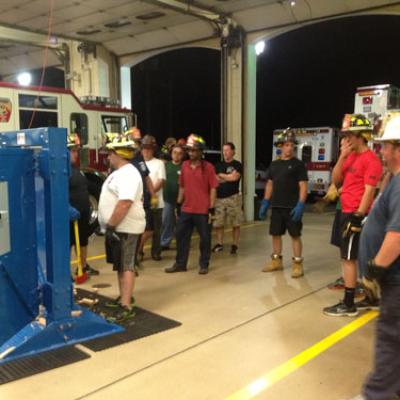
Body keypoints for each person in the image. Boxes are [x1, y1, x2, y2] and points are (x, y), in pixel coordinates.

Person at [356, 115, 400, 400]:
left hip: (396, 280)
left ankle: (375, 395)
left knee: (390, 338)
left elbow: (397, 234)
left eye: (385, 146)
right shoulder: (395, 181)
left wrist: (374, 270)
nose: (381, 151)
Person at [323, 114, 382, 317]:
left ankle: (348, 303)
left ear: (360, 135)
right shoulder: (351, 156)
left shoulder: (371, 160)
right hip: (345, 210)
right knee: (356, 256)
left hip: (356, 214)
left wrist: (358, 216)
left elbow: (369, 190)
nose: (346, 138)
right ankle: (372, 298)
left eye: (349, 135)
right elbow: (337, 180)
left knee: (348, 258)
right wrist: (342, 156)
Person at [98, 132, 145, 322]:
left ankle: (126, 305)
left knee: (126, 265)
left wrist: (110, 225)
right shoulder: (120, 173)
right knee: (120, 264)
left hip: (126, 227)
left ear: (119, 154)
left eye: (110, 153)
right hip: (119, 227)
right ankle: (123, 298)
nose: (107, 157)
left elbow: (125, 203)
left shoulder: (129, 174)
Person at [165, 134, 218, 275]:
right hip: (187, 209)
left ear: (201, 151)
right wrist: (178, 204)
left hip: (203, 210)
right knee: (181, 237)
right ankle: (180, 264)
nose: (191, 153)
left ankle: (204, 264)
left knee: (205, 239)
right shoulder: (185, 166)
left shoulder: (209, 168)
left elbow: (213, 188)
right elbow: (182, 186)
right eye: (189, 150)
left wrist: (212, 208)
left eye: (194, 150)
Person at [258, 129, 308, 278]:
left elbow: (303, 186)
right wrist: (265, 202)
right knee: (275, 234)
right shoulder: (274, 164)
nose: (290, 148)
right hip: (277, 207)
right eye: (287, 145)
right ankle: (276, 262)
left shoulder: (298, 165)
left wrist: (300, 204)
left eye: (292, 145)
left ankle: (298, 264)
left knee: (295, 235)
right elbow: (270, 184)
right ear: (281, 146)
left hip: (292, 208)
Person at [67, 133, 99, 276]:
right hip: (70, 215)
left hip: (83, 214)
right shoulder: (63, 171)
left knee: (83, 241)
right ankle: (64, 273)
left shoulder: (76, 169)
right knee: (68, 243)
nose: (76, 154)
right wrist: (67, 208)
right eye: (73, 151)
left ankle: (83, 266)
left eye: (76, 151)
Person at [138, 135, 166, 261]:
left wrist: (150, 192)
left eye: (149, 148)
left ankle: (156, 252)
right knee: (143, 228)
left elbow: (161, 181)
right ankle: (139, 250)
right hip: (140, 202)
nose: (146, 151)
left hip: (156, 201)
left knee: (156, 229)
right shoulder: (138, 163)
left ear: (153, 149)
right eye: (144, 148)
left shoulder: (159, 163)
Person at [212, 142, 244, 254]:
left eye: (227, 150)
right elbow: (216, 180)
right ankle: (219, 243)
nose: (225, 152)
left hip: (233, 197)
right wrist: (227, 177)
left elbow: (234, 178)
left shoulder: (238, 165)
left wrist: (222, 176)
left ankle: (235, 244)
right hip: (219, 198)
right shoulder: (218, 165)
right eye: (223, 150)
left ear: (233, 151)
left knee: (235, 222)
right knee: (218, 223)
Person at [160, 144, 185, 250]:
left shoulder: (185, 167)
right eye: (174, 152)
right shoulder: (165, 166)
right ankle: (165, 243)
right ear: (171, 153)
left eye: (179, 153)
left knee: (182, 223)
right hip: (167, 199)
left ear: (183, 155)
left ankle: (182, 242)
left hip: (183, 201)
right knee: (167, 221)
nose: (177, 155)